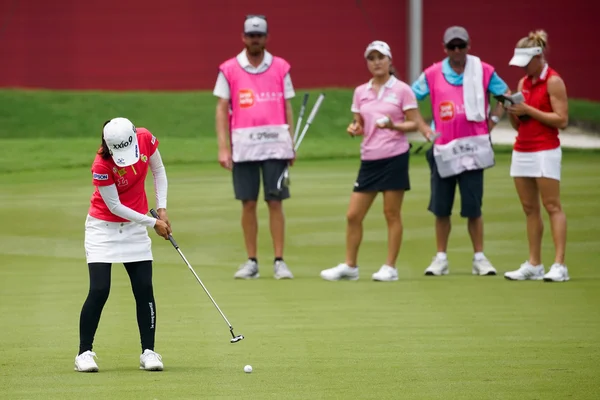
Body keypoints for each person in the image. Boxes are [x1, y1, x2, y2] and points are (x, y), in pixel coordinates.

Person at [319, 41, 431, 282]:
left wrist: (394, 125)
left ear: (389, 61)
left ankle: (390, 267)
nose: (377, 62)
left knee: (391, 213)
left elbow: (415, 122)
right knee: (353, 215)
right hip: (369, 158)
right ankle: (350, 266)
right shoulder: (361, 92)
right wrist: (354, 128)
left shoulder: (402, 90)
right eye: (372, 58)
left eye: (381, 57)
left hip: (394, 156)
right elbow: (360, 124)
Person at [411, 26, 510, 277]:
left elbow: (506, 96)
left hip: (474, 148)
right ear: (444, 48)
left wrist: (494, 120)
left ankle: (479, 257)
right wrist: (423, 128)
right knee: (441, 207)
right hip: (444, 148)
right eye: (452, 47)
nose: (457, 51)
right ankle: (441, 258)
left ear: (468, 46)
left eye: (461, 46)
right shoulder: (433, 73)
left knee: (473, 206)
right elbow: (410, 99)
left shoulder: (483, 70)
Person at [74, 117, 172, 372]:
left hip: (135, 227)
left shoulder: (145, 137)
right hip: (102, 228)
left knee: (143, 288)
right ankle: (84, 353)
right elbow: (115, 206)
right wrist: (152, 223)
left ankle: (149, 352)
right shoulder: (101, 164)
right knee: (99, 289)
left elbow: (158, 171)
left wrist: (161, 209)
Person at [213, 14, 296, 280]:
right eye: (251, 35)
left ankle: (279, 261)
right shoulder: (229, 68)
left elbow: (287, 106)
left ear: (266, 38)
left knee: (275, 202)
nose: (255, 39)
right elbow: (222, 108)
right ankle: (252, 261)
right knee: (248, 203)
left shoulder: (281, 67)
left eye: (259, 35)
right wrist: (223, 148)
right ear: (243, 37)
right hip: (244, 145)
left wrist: (291, 142)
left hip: (275, 144)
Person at [503, 30, 570, 282]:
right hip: (522, 149)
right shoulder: (523, 83)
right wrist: (512, 110)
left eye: (525, 63)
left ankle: (559, 265)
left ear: (538, 57)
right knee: (529, 208)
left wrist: (528, 108)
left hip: (545, 150)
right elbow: (519, 126)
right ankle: (534, 263)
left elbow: (561, 120)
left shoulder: (554, 81)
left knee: (552, 206)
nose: (523, 69)